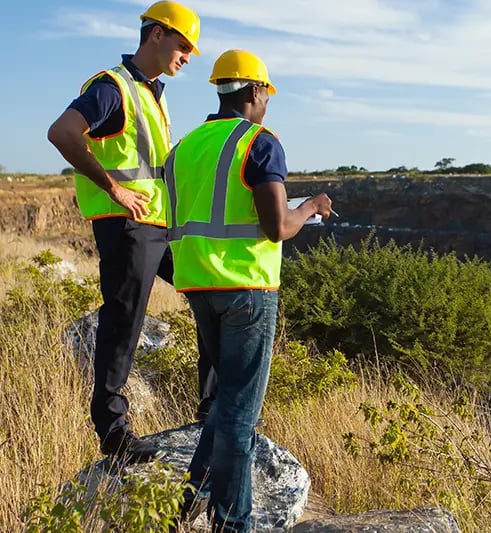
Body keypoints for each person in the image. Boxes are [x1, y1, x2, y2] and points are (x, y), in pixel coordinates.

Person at [163, 49, 331, 532]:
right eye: (267, 95)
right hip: (248, 290)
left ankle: (184, 507)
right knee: (239, 413)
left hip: (198, 285)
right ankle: (233, 525)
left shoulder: (186, 147)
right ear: (256, 91)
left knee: (223, 405)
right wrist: (311, 207)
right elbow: (277, 226)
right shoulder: (260, 142)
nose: (267, 104)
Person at [47, 1, 216, 463]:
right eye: (183, 46)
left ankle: (213, 409)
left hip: (159, 224)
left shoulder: (153, 94)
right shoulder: (112, 87)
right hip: (127, 226)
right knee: (124, 320)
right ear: (156, 35)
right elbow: (62, 133)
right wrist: (114, 189)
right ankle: (114, 432)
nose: (187, 56)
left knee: (210, 292)